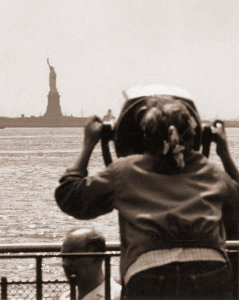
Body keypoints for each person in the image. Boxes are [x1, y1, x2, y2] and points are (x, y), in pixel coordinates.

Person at [55, 87, 239, 299]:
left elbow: (70, 198)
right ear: (194, 135)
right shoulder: (209, 171)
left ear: (145, 135)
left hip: (148, 275)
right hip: (210, 273)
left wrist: (89, 144)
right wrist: (224, 154)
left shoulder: (125, 171)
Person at [60, 227, 121, 300]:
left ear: (98, 256)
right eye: (64, 257)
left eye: (73, 257)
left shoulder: (117, 296)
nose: (66, 264)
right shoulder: (66, 297)